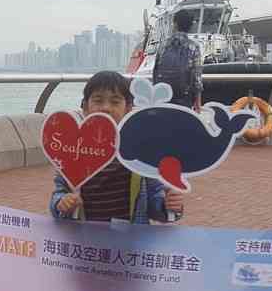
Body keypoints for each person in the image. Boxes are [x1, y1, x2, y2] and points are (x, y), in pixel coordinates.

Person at [50, 71, 185, 224]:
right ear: (85, 107)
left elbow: (155, 197)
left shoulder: (139, 150)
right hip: (85, 236)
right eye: (98, 101)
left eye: (115, 102)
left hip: (130, 237)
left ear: (128, 108)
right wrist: (62, 203)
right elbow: (59, 194)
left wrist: (168, 205)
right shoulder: (72, 150)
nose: (106, 108)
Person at [152, 10, 203, 111]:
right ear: (190, 26)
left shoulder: (164, 44)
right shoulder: (193, 46)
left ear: (175, 24)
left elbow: (155, 71)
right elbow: (197, 78)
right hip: (184, 99)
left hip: (163, 96)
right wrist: (198, 103)